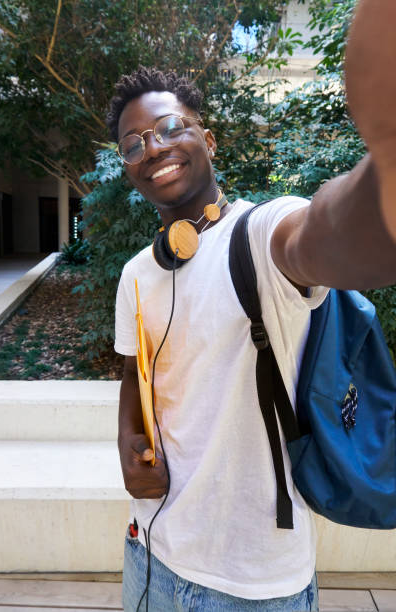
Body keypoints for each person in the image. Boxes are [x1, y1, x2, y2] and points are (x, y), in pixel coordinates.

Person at [108, 1, 396, 609]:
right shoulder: (139, 273)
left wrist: (387, 172)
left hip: (253, 585)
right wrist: (127, 442)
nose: (152, 147)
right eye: (134, 143)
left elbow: (324, 235)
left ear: (207, 139)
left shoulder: (261, 235)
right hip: (147, 551)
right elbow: (135, 377)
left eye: (169, 127)